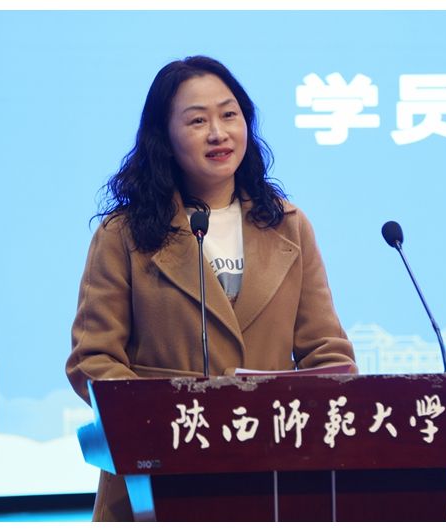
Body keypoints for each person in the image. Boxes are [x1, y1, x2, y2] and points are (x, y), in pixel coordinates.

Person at [66, 55, 356, 521]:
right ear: (164, 138)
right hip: (156, 476)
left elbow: (327, 352)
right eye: (197, 120)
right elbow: (93, 359)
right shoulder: (124, 234)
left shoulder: (288, 225)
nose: (218, 133)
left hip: (272, 474)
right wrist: (163, 420)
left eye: (229, 115)